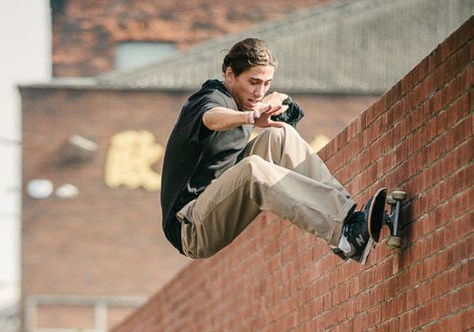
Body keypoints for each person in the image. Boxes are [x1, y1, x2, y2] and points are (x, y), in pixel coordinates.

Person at [160, 38, 376, 265]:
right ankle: (342, 230)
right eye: (253, 82)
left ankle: (350, 222)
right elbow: (210, 117)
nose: (259, 92)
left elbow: (288, 116)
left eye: (266, 83)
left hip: (217, 197)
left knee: (280, 134)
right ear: (230, 75)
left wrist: (277, 99)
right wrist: (246, 117)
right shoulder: (211, 98)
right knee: (253, 169)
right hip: (190, 226)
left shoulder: (253, 101)